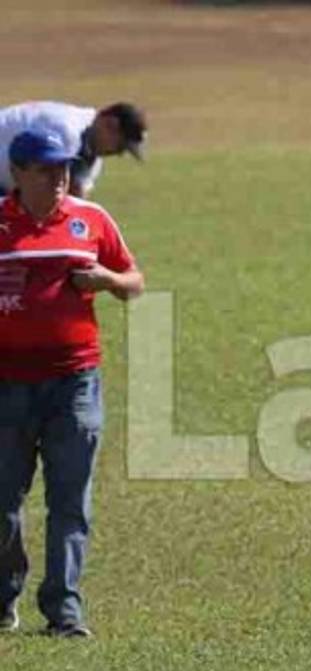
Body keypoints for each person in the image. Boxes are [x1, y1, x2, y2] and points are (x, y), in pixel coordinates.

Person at [0, 129, 145, 638]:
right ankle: (4, 594)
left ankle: (64, 610)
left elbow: (134, 282)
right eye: (45, 169)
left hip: (75, 383)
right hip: (6, 384)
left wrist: (105, 279)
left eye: (63, 168)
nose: (60, 177)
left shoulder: (92, 219)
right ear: (17, 173)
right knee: (3, 502)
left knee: (69, 500)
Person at [0, 101, 148, 199]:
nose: (119, 154)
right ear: (109, 125)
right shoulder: (67, 131)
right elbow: (42, 189)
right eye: (121, 146)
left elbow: (78, 201)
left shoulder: (92, 155)